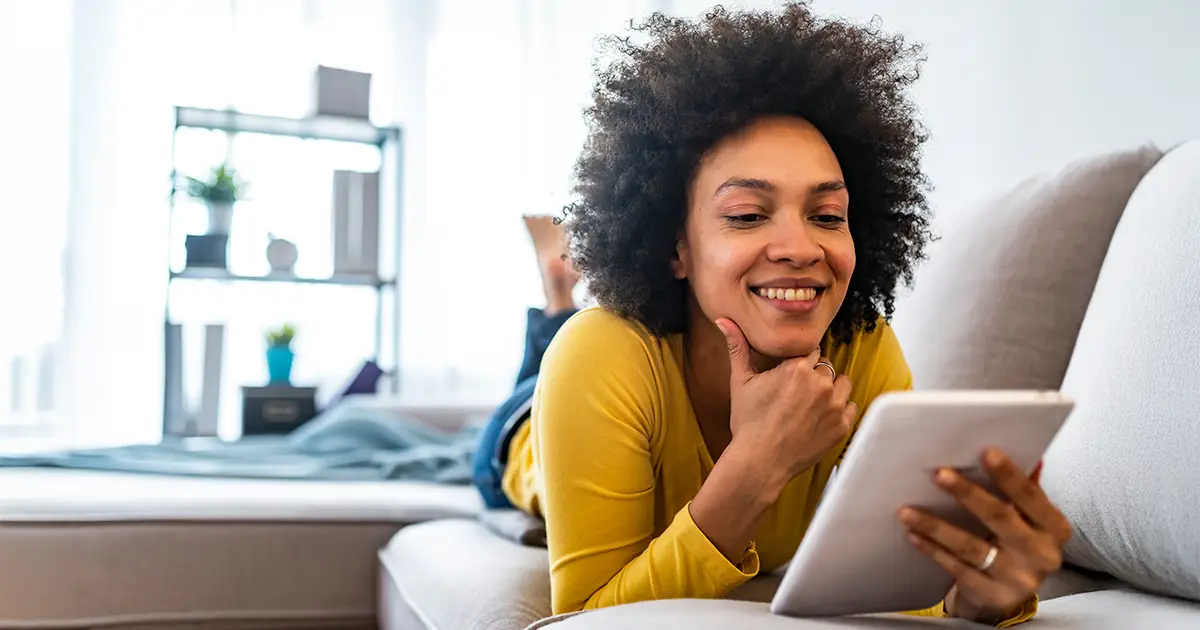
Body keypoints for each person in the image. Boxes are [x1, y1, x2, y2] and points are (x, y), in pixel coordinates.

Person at [473, 3, 1073, 626]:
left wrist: (980, 597)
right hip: (516, 445)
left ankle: (557, 290)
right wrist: (755, 465)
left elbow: (906, 597)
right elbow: (584, 620)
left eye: (828, 216)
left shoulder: (860, 348)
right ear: (675, 245)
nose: (801, 248)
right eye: (747, 215)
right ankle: (557, 301)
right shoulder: (600, 356)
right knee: (528, 385)